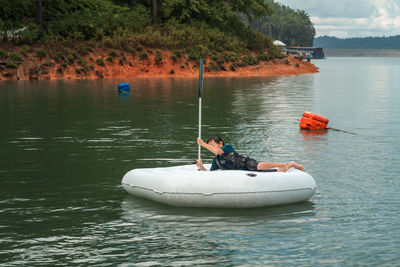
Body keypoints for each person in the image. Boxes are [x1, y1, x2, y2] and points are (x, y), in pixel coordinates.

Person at [196, 134, 305, 172]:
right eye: (209, 145)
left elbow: (218, 151)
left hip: (245, 163)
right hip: (242, 172)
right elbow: (210, 174)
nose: (211, 148)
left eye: (212, 145)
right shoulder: (216, 161)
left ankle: (281, 164)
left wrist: (202, 144)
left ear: (220, 143)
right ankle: (290, 165)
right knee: (280, 172)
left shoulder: (226, 147)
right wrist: (201, 167)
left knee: (259, 166)